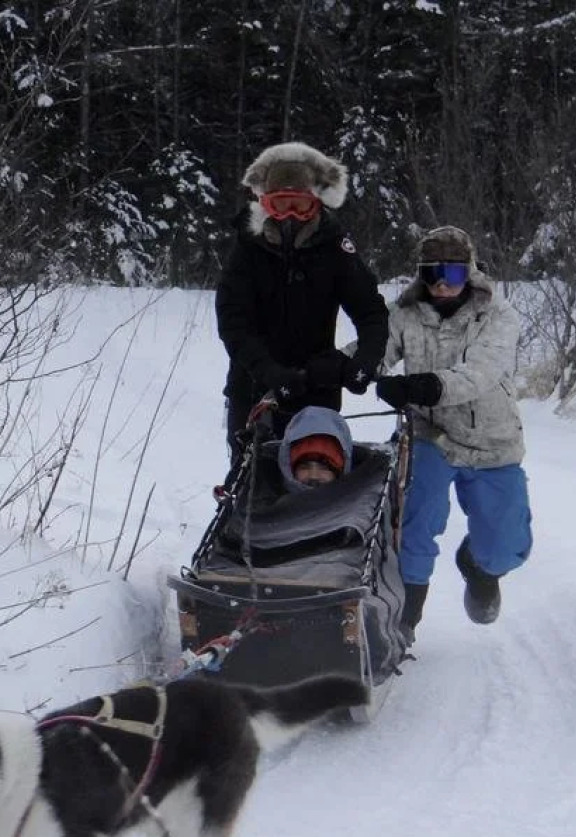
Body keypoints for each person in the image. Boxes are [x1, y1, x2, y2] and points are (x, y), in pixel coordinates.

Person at [375, 226, 532, 640]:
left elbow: (480, 373)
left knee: (505, 546)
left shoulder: (497, 315)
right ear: (419, 275)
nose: (443, 284)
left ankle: (479, 567)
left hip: (491, 441)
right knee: (415, 521)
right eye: (432, 274)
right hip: (430, 434)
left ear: (471, 272)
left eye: (454, 275)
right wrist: (346, 371)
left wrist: (423, 386)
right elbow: (373, 351)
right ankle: (403, 622)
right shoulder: (404, 314)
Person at [215, 142, 389, 464]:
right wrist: (267, 371)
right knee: (252, 483)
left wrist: (366, 359)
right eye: (281, 204)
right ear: (265, 204)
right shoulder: (247, 247)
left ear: (317, 204)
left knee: (318, 486)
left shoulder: (336, 247)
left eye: (301, 204)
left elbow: (370, 310)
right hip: (253, 386)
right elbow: (232, 321)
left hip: (316, 387)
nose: (291, 215)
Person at [277, 405, 353, 492]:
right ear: (290, 470)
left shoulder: (363, 503)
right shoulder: (267, 502)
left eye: (324, 467)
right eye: (304, 467)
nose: (314, 476)